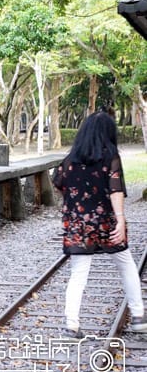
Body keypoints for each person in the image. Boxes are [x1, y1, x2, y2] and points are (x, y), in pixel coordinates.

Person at [52, 111, 147, 337]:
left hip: (78, 224)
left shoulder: (69, 161)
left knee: (78, 274)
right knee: (126, 265)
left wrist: (71, 208)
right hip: (106, 222)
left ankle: (71, 323)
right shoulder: (110, 157)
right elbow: (116, 190)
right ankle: (138, 316)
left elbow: (58, 185)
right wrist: (121, 220)